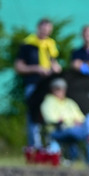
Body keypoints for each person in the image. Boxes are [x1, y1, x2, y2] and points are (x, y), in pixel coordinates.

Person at [40, 78, 89, 174]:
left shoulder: (69, 102)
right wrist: (68, 121)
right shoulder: (48, 102)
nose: (60, 91)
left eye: (62, 88)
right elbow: (50, 119)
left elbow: (81, 118)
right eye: (57, 88)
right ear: (52, 89)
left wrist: (75, 121)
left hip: (75, 129)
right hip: (59, 131)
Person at [14, 18, 62, 148]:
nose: (45, 32)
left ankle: (51, 146)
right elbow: (19, 67)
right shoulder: (28, 44)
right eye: (43, 28)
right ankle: (35, 146)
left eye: (48, 30)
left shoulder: (50, 45)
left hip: (48, 86)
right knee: (33, 116)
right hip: (33, 84)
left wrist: (56, 68)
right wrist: (36, 69)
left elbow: (54, 62)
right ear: (38, 28)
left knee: (50, 114)